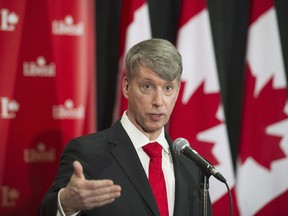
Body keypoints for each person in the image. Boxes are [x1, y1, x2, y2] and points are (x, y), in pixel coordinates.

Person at [38, 38, 212, 216]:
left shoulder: (193, 167)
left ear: (177, 91)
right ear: (127, 86)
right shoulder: (87, 153)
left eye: (167, 88)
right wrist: (67, 204)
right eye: (147, 86)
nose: (158, 102)